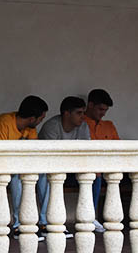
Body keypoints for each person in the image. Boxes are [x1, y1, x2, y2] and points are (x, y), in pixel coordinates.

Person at [0, 95, 48, 234]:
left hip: (15, 169)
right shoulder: (4, 122)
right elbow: (0, 157)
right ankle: (17, 224)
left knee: (44, 175)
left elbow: (33, 154)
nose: (40, 122)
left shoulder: (30, 128)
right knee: (16, 176)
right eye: (41, 119)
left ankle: (44, 222)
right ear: (32, 118)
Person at [37, 96, 91, 238]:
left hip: (72, 169)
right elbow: (48, 157)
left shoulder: (83, 126)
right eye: (79, 113)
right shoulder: (51, 126)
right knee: (48, 176)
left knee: (92, 176)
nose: (83, 117)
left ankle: (90, 220)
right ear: (67, 114)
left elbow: (86, 152)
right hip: (50, 169)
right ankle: (47, 223)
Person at [84, 88, 119, 232]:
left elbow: (118, 148)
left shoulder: (108, 125)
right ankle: (91, 217)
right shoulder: (80, 123)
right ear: (90, 105)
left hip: (108, 168)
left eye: (105, 110)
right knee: (95, 175)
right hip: (89, 169)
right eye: (100, 109)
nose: (103, 113)